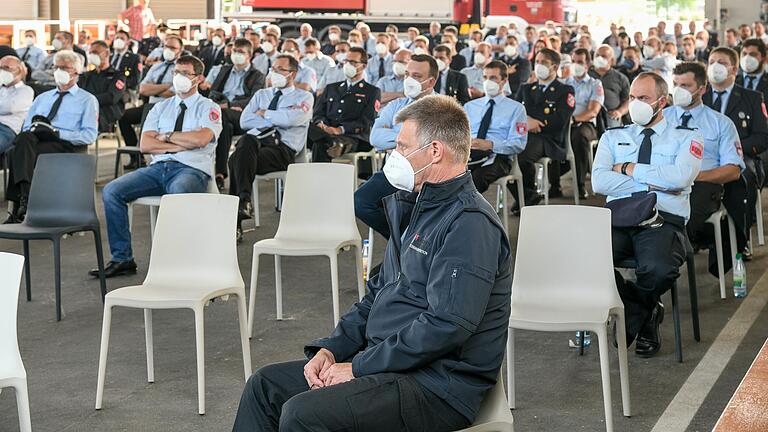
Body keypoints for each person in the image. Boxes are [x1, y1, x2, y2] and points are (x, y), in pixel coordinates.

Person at [231, 94, 512, 432]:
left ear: (435, 151)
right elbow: (375, 296)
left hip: (436, 386)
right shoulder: (418, 208)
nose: (394, 157)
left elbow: (445, 326)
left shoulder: (469, 223)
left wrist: (358, 367)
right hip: (389, 364)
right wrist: (331, 350)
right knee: (265, 387)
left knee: (303, 414)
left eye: (402, 147)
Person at [592, 71, 702, 357]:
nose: (636, 103)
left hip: (663, 220)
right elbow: (600, 182)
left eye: (644, 98)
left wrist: (629, 169)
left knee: (659, 268)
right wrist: (657, 181)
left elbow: (681, 178)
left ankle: (636, 310)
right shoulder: (613, 136)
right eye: (632, 97)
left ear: (662, 102)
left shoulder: (687, 137)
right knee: (588, 260)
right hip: (618, 217)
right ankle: (646, 309)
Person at [91, 55, 221, 278]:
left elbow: (201, 140)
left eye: (185, 73)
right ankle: (122, 258)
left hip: (191, 169)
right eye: (176, 73)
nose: (178, 77)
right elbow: (146, 144)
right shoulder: (160, 108)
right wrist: (179, 144)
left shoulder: (208, 107)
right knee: (112, 191)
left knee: (178, 194)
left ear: (198, 78)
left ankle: (178, 261)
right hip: (158, 168)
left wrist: (167, 137)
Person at [666, 61, 744, 271]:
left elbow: (733, 169)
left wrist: (694, 176)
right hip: (664, 181)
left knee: (682, 211)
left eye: (686, 85)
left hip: (702, 184)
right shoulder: (661, 119)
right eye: (676, 84)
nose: (679, 91)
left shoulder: (720, 123)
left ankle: (665, 258)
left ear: (702, 89)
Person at [4, 50, 98, 223]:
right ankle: (25, 198)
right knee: (23, 142)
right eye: (56, 67)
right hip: (36, 141)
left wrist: (57, 132)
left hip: (65, 144)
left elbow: (89, 135)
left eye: (64, 68)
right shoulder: (43, 98)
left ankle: (20, 203)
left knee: (18, 151)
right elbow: (26, 126)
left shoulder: (87, 100)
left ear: (76, 71)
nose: (59, 71)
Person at [227, 55, 313, 235]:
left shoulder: (304, 97)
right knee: (246, 142)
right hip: (256, 146)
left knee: (236, 159)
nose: (274, 73)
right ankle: (243, 202)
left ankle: (237, 215)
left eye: (280, 69)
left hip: (283, 150)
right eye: (273, 69)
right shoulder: (262, 94)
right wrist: (277, 117)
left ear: (292, 74)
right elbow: (244, 121)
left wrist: (264, 113)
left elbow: (292, 119)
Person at [354, 54, 437, 238]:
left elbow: (436, 143)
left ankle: (404, 249)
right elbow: (376, 138)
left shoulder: (443, 109)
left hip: (426, 177)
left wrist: (395, 138)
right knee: (360, 202)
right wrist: (415, 139)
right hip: (394, 171)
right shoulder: (395, 106)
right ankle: (402, 241)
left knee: (417, 211)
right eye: (407, 74)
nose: (409, 80)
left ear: (431, 81)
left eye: (417, 76)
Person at [705, 47, 768, 260]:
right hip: (706, 158)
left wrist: (732, 147)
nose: (715, 66)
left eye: (721, 62)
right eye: (712, 61)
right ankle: (699, 234)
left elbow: (762, 136)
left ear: (733, 68)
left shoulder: (751, 97)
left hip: (743, 157)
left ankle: (741, 238)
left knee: (741, 179)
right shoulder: (700, 98)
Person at [511, 48, 575, 210]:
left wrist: (537, 124)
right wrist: (527, 122)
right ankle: (527, 196)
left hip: (549, 140)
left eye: (544, 63)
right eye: (537, 62)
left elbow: (561, 119)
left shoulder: (565, 90)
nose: (539, 65)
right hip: (525, 135)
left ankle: (524, 198)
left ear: (554, 67)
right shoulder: (526, 88)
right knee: (505, 156)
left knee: (522, 157)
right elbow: (514, 112)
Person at [200, 38, 265, 189]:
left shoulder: (257, 75)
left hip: (244, 115)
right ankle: (220, 174)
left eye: (241, 52)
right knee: (225, 126)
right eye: (235, 51)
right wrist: (220, 103)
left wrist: (231, 105)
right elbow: (213, 92)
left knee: (222, 116)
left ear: (249, 55)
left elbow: (255, 99)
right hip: (222, 114)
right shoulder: (224, 70)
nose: (236, 54)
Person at [118, 34, 183, 169]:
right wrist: (166, 85)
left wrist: (154, 88)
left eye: (172, 47)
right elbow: (143, 89)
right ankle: (137, 158)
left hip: (170, 107)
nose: (168, 50)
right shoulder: (156, 67)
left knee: (150, 124)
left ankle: (164, 158)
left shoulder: (181, 69)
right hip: (151, 105)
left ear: (180, 51)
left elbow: (173, 92)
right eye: (166, 46)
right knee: (124, 117)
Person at [308, 46, 380, 163]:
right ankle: (331, 142)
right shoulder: (331, 88)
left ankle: (320, 178)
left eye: (353, 62)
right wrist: (321, 124)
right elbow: (318, 112)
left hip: (353, 137)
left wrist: (339, 130)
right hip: (325, 132)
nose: (348, 65)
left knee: (320, 144)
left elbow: (367, 121)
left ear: (364, 66)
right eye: (346, 61)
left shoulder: (371, 91)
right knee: (308, 128)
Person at [465, 60, 527, 192]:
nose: (488, 82)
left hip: (499, 156)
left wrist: (490, 145)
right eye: (485, 77)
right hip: (470, 154)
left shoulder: (516, 108)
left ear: (504, 81)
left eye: (493, 78)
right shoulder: (470, 106)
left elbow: (518, 143)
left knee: (476, 178)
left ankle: (468, 212)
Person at [562, 48, 604, 199]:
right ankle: (554, 185)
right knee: (552, 135)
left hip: (585, 124)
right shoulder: (565, 83)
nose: (576, 65)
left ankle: (579, 185)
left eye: (579, 62)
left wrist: (574, 120)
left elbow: (593, 111)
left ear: (587, 64)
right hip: (565, 124)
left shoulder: (594, 84)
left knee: (579, 138)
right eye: (573, 61)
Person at [80, 40, 126, 132]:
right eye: (91, 53)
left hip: (107, 111)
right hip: (87, 109)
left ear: (107, 53)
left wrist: (89, 100)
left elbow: (111, 97)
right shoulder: (86, 76)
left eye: (96, 53)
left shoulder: (117, 76)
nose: (92, 55)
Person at [590, 44, 629, 129]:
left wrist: (620, 112)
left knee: (613, 133)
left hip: (611, 115)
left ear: (611, 60)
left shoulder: (620, 78)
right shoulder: (587, 75)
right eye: (597, 55)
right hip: (589, 113)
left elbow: (628, 100)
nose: (599, 58)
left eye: (604, 56)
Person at [0, 57, 33, 155]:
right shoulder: (1, 88)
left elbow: (9, 108)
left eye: (6, 68)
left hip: (7, 130)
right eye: (0, 68)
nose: (2, 71)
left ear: (19, 71)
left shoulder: (26, 91)